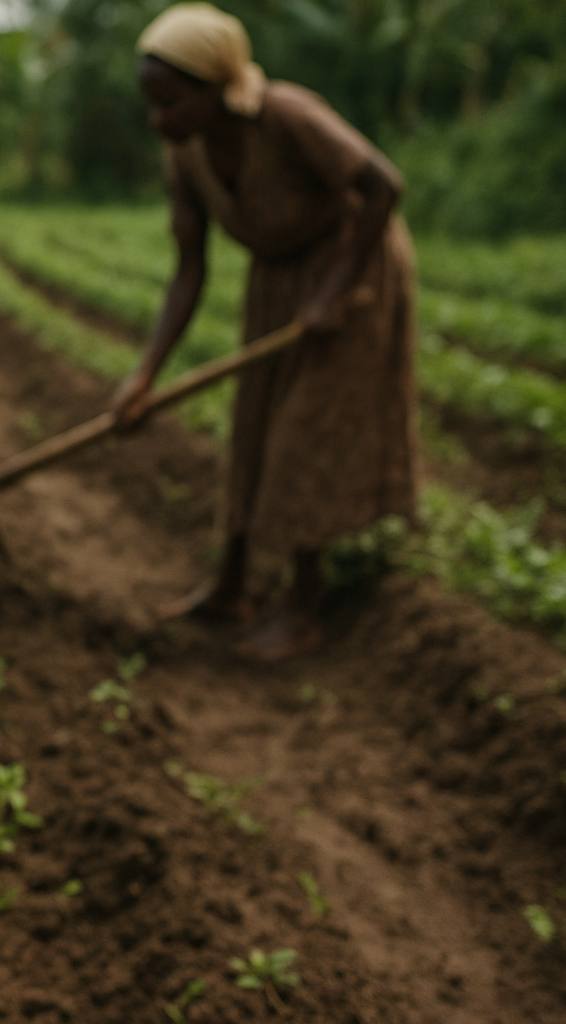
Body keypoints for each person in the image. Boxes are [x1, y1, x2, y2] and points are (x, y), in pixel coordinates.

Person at [111, 2, 418, 661]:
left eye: (169, 102)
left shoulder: (285, 114)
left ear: (214, 87)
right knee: (254, 421)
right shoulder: (185, 155)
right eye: (151, 104)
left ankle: (303, 609)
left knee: (305, 431)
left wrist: (334, 294)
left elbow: (383, 185)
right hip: (277, 279)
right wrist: (143, 375)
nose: (157, 120)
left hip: (354, 268)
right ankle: (230, 590)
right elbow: (188, 271)